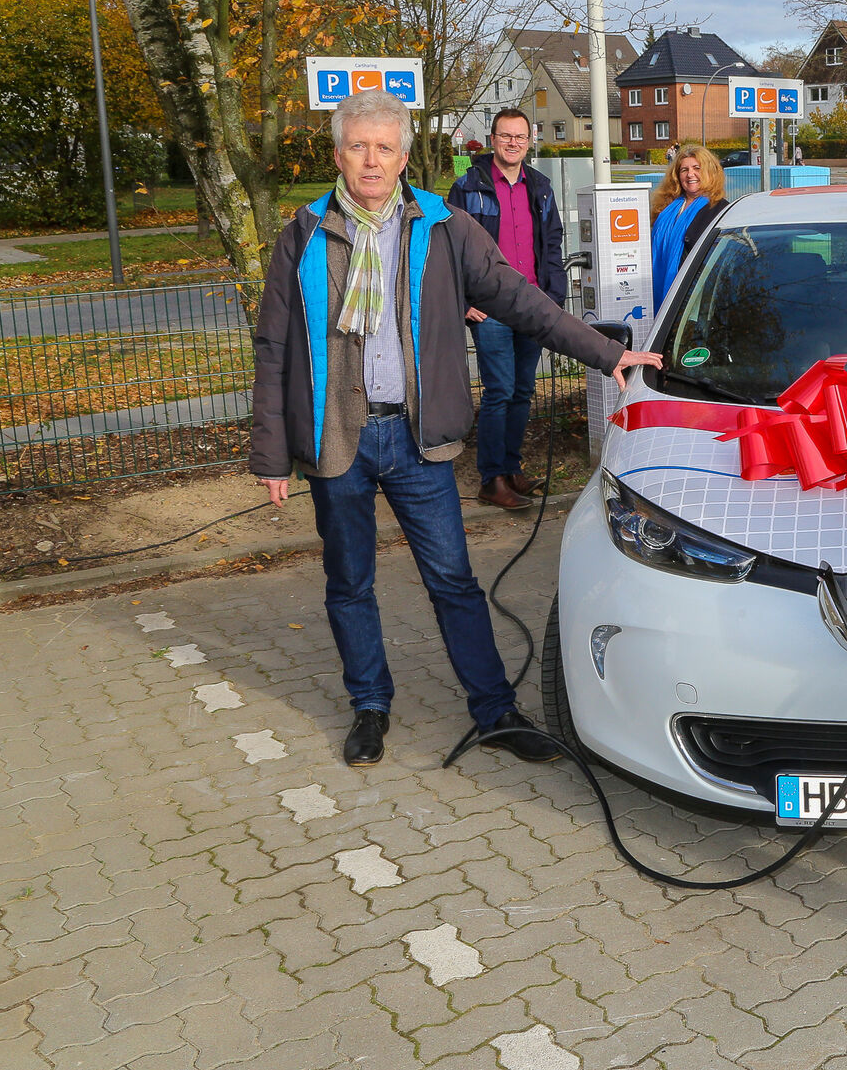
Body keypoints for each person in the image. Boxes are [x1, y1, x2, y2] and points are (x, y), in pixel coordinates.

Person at [250, 89, 661, 768]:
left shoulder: (443, 228)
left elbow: (523, 300)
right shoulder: (303, 234)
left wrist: (608, 352)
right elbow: (274, 347)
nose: (372, 160)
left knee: (454, 580)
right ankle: (370, 705)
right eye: (359, 146)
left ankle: (495, 710)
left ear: (405, 155)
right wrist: (271, 455)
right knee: (348, 582)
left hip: (416, 439)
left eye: (385, 147)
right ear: (338, 155)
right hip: (336, 441)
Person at [444, 109, 566, 511]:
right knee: (498, 391)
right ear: (493, 139)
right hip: (492, 307)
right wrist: (464, 300)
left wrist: (554, 297)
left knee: (522, 391)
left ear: (529, 141)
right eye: (505, 136)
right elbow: (448, 249)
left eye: (520, 137)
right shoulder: (468, 187)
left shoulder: (541, 186)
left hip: (532, 303)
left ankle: (511, 469)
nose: (513, 143)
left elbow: (552, 243)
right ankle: (491, 478)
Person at [649, 145, 728, 311]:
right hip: (659, 289)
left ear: (710, 172)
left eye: (697, 168)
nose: (690, 174)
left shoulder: (720, 210)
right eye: (684, 169)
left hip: (694, 298)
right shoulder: (666, 209)